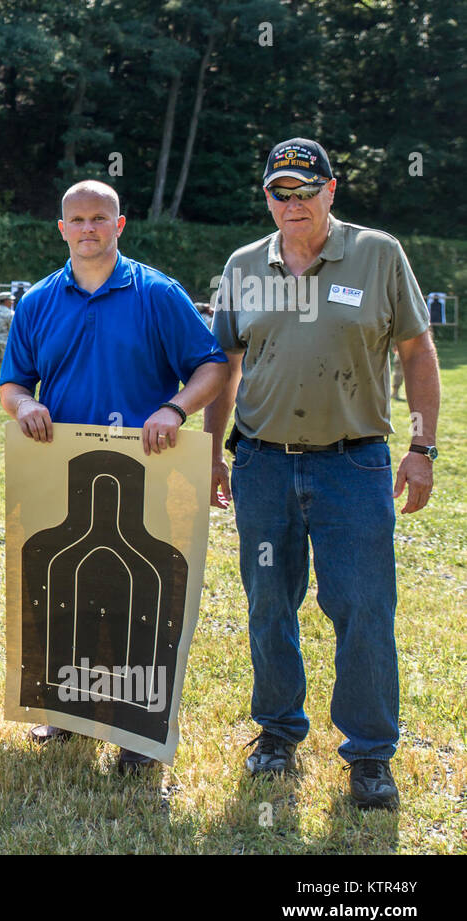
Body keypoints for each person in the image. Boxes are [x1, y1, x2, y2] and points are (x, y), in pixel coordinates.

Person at [204, 138, 440, 810]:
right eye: (281, 191)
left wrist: (422, 446)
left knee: (364, 607)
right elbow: (224, 365)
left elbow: (419, 352)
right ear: (268, 198)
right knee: (268, 602)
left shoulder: (378, 253)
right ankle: (277, 733)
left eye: (306, 190)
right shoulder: (244, 265)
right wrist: (213, 450)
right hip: (263, 465)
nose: (294, 203)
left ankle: (369, 754)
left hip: (353, 464)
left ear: (332, 191)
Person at [0, 180, 229, 773]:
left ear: (120, 225)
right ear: (62, 229)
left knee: (137, 601)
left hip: (146, 470)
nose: (88, 228)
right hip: (61, 469)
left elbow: (212, 365)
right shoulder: (38, 302)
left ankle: (133, 729)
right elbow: (13, 382)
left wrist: (175, 409)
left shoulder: (157, 293)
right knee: (64, 595)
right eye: (77, 219)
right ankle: (68, 713)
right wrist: (24, 407)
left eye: (100, 218)